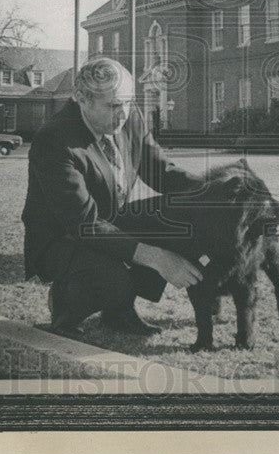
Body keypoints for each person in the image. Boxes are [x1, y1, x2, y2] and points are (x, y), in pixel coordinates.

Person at [22, 57, 205, 337]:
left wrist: (213, 191)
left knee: (174, 216)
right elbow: (84, 223)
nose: (123, 113)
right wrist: (156, 257)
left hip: (110, 222)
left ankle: (118, 313)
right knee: (115, 277)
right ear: (82, 99)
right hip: (62, 239)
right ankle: (65, 309)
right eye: (112, 106)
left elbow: (160, 172)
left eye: (127, 103)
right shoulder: (54, 141)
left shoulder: (129, 115)